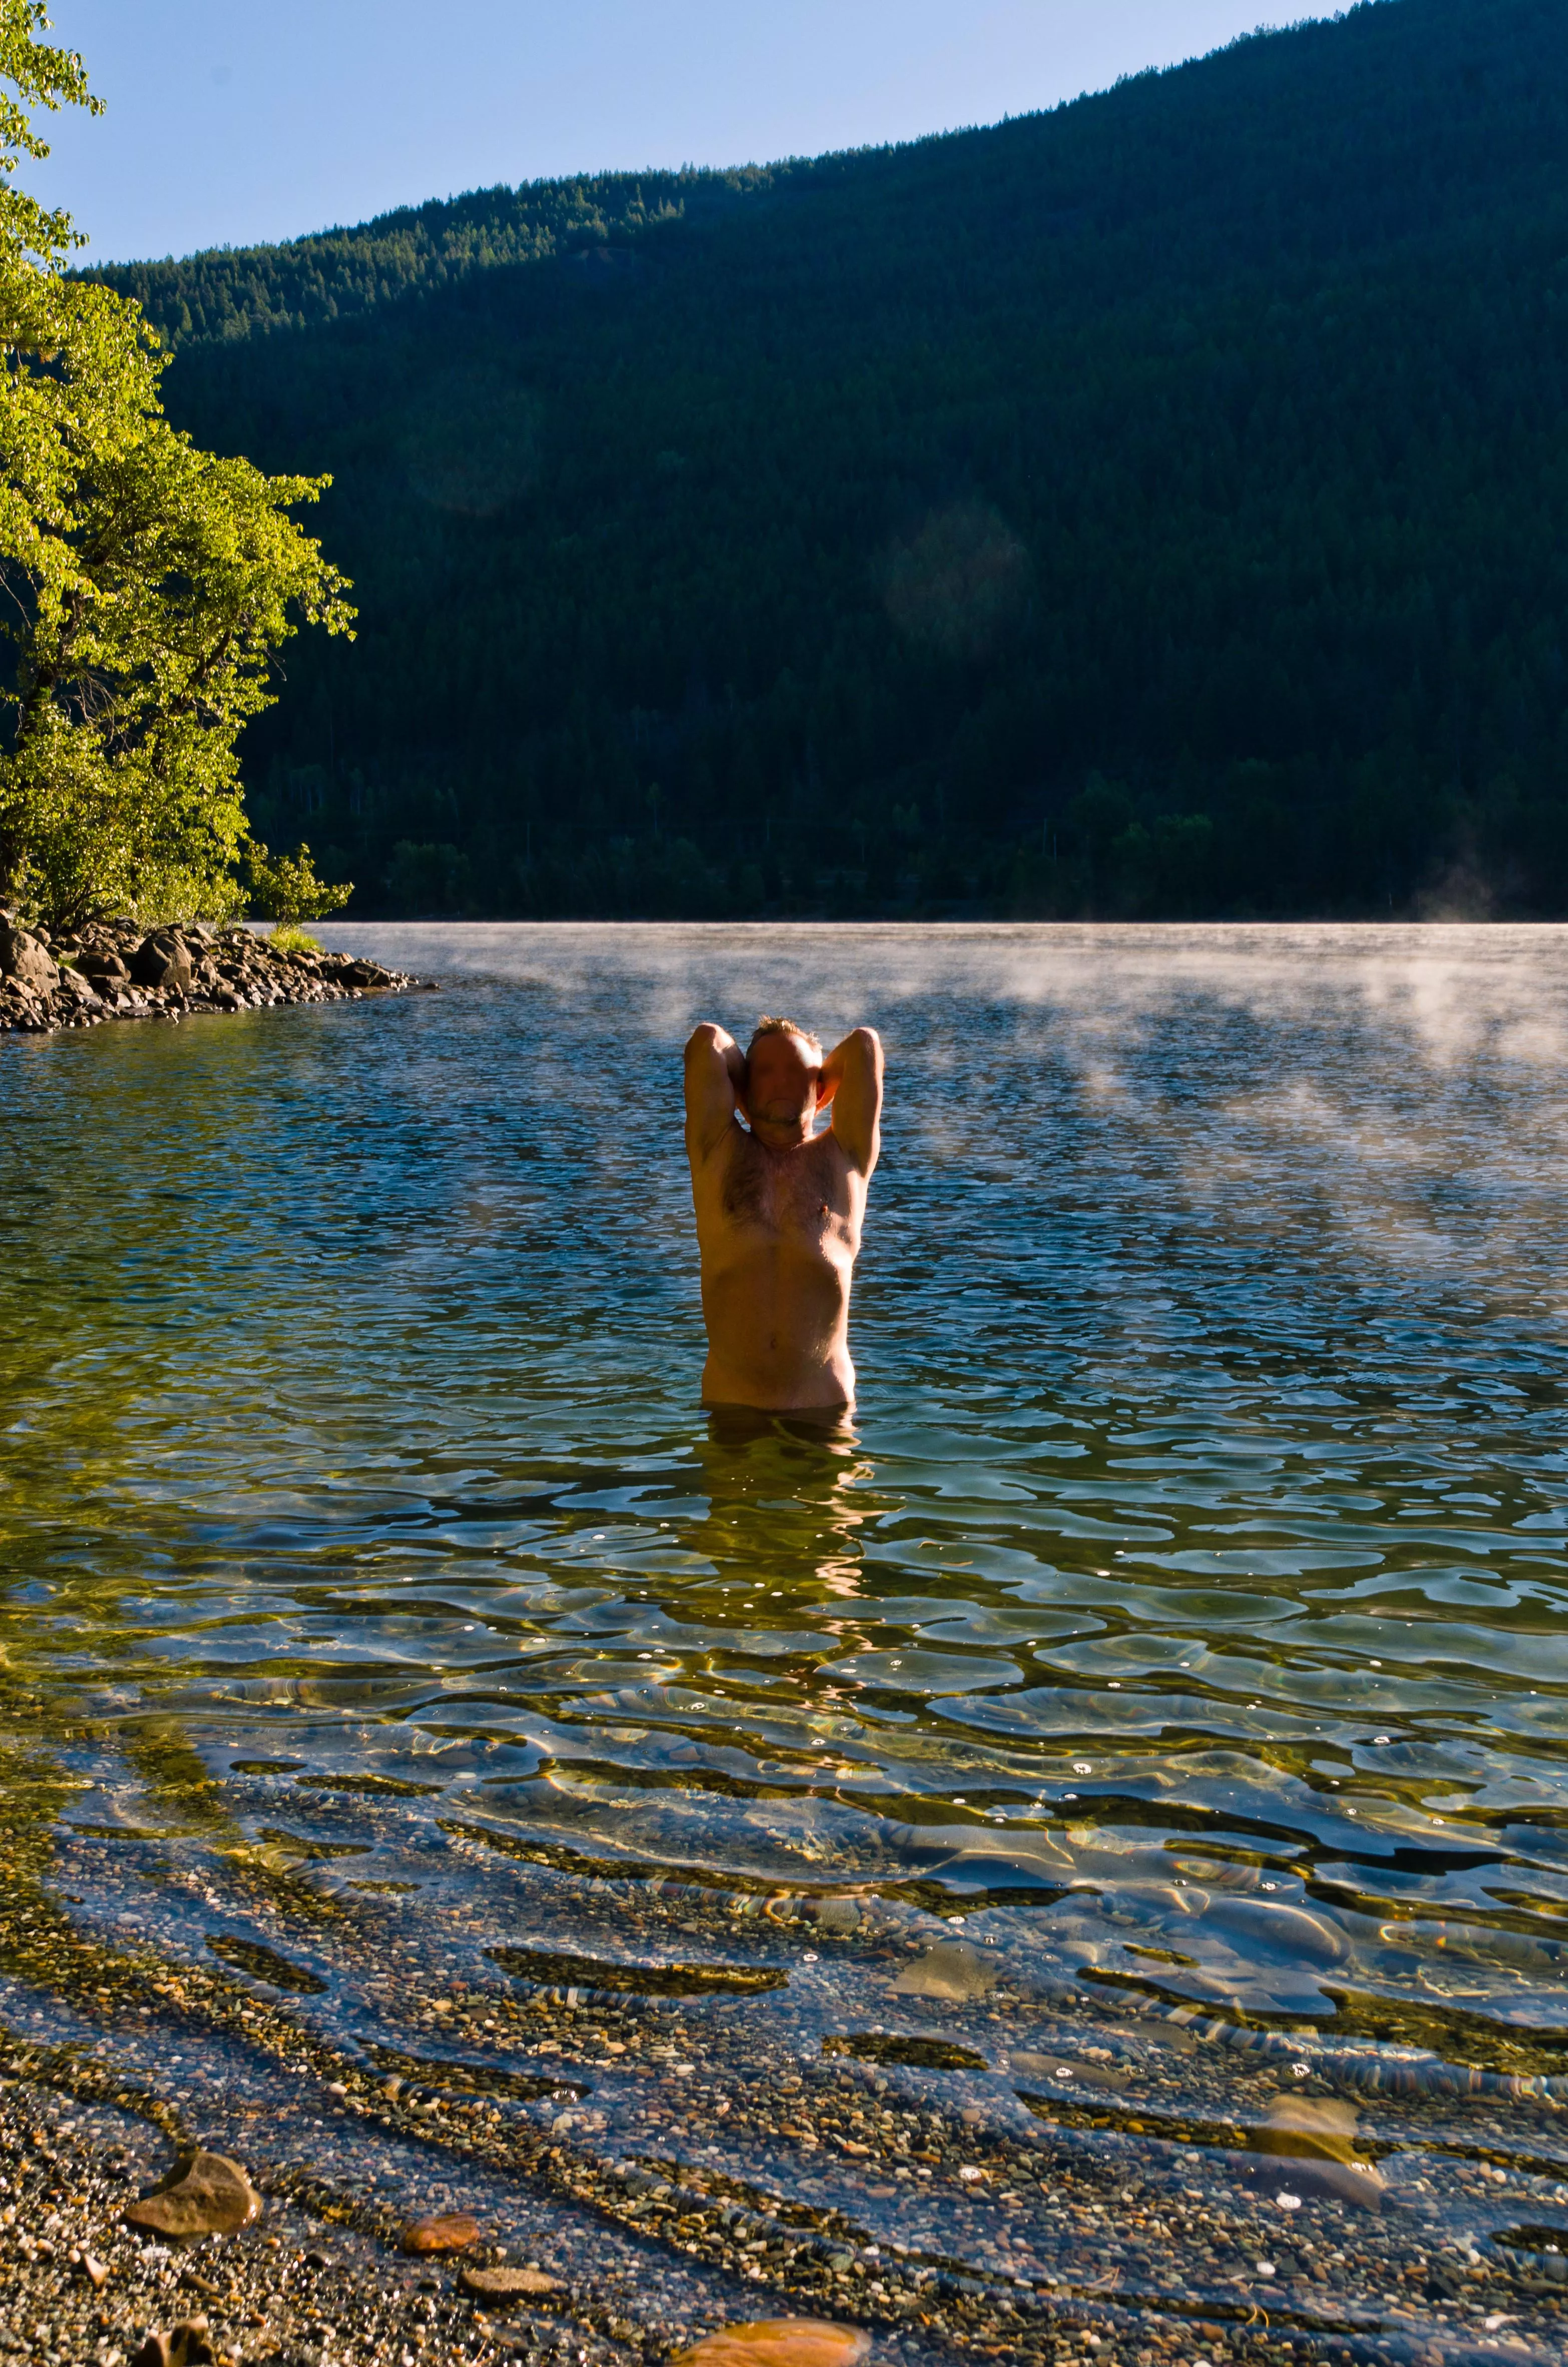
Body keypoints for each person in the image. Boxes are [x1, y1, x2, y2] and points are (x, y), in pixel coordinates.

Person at [683, 1015, 884, 1413]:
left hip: (824, 1408)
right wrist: (747, 1089)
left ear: (821, 1087)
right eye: (766, 1072)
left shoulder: (847, 1156)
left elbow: (865, 1046)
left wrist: (812, 1078)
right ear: (743, 1085)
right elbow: (706, 1043)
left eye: (797, 1071)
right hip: (732, 1406)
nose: (780, 1081)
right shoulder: (716, 1153)